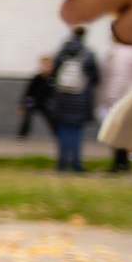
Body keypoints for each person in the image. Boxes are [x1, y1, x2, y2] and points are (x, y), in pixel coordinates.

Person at [47, 24, 101, 172]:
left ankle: (62, 163)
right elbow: (96, 77)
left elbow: (52, 75)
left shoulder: (61, 53)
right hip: (80, 99)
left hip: (62, 98)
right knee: (76, 131)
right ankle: (76, 164)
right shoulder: (88, 54)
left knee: (63, 130)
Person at [103, 39, 132, 172]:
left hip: (121, 99)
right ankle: (123, 162)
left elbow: (120, 78)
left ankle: (119, 163)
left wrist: (113, 98)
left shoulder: (121, 53)